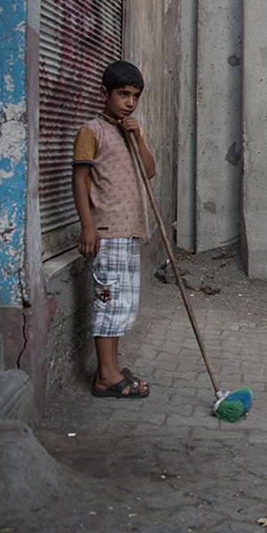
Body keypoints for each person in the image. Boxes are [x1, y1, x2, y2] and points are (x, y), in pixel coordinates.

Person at [72, 60, 156, 398]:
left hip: (129, 231)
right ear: (104, 93)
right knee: (109, 303)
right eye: (123, 94)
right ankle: (105, 377)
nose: (130, 102)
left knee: (122, 305)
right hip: (107, 231)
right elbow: (80, 181)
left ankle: (113, 368)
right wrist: (87, 227)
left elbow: (149, 172)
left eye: (135, 96)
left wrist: (137, 137)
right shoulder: (91, 131)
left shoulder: (131, 131)